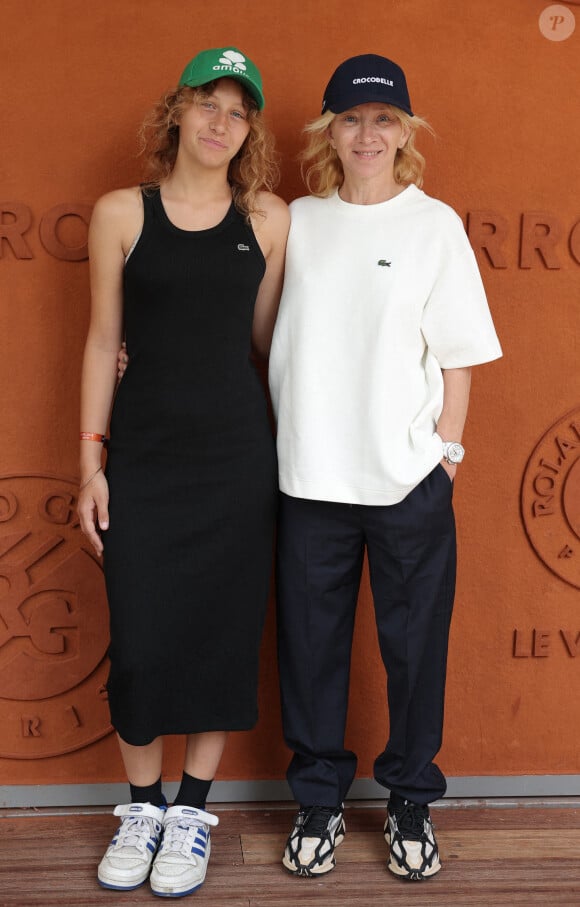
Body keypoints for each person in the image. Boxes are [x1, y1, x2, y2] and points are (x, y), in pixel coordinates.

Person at [268, 54, 502, 881]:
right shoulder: (297, 219)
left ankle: (409, 800)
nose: (368, 133)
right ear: (329, 128)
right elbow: (247, 320)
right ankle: (320, 801)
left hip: (408, 482)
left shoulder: (432, 224)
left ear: (407, 131)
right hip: (307, 482)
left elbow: (461, 355)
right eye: (352, 118)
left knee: (414, 652)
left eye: (385, 119)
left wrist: (446, 457)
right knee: (311, 651)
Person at [77, 47, 289, 898]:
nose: (220, 122)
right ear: (179, 110)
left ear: (248, 131)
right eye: (208, 102)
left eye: (238, 111)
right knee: (141, 641)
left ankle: (191, 814)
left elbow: (268, 345)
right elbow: (100, 340)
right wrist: (89, 460)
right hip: (145, 460)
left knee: (219, 635)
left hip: (238, 461)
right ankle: (142, 805)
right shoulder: (122, 212)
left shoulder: (268, 219)